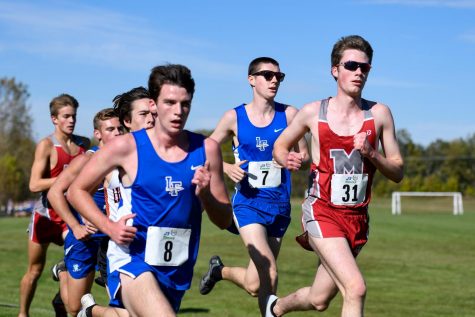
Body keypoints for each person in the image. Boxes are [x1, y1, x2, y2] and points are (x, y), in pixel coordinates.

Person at [68, 64, 233, 317]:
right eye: (169, 102)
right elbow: (76, 190)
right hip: (131, 260)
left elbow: (223, 220)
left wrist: (206, 195)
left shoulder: (207, 149)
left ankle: (91, 313)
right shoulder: (126, 147)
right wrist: (109, 227)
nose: (178, 111)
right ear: (154, 104)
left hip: (175, 266)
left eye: (185, 104)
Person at [269, 35, 404, 317]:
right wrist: (287, 157)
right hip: (322, 211)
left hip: (356, 219)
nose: (358, 72)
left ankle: (276, 308)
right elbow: (279, 146)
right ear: (335, 70)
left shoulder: (379, 114)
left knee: (319, 299)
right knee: (355, 288)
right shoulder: (311, 113)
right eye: (351, 65)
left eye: (364, 68)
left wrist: (371, 153)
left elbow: (398, 171)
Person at [199, 57, 308, 316]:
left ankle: (220, 270)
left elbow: (305, 156)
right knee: (269, 268)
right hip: (248, 205)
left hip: (279, 207)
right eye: (267, 75)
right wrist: (226, 168)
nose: (274, 81)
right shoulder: (234, 117)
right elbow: (204, 151)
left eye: (278, 77)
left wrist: (298, 160)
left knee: (255, 284)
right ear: (251, 79)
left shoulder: (290, 114)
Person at [77, 86, 155, 317]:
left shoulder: (167, 153)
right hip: (125, 251)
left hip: (160, 250)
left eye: (154, 112)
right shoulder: (112, 155)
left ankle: (91, 311)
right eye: (144, 114)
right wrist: (101, 224)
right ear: (127, 121)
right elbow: (75, 191)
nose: (151, 118)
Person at [19, 94, 90, 317]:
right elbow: (34, 184)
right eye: (66, 116)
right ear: (54, 119)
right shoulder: (47, 145)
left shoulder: (83, 145)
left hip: (68, 217)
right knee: (35, 270)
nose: (71, 121)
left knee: (75, 262)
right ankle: (23, 313)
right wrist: (68, 177)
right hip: (45, 217)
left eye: (74, 116)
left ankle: (63, 301)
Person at [47, 108, 122, 316]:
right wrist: (75, 225)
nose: (117, 133)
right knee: (74, 307)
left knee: (122, 300)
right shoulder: (85, 161)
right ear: (98, 134)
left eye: (119, 128)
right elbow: (55, 193)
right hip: (85, 238)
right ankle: (63, 271)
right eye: (110, 129)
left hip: (113, 238)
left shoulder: (126, 159)